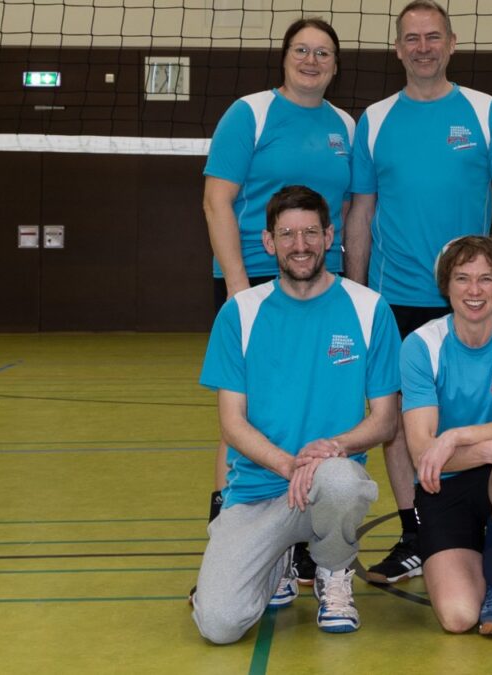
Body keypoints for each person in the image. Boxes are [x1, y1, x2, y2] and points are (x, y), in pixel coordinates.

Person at [346, 0, 492, 585]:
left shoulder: (485, 110)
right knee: (395, 420)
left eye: (433, 37)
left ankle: (475, 522)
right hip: (395, 296)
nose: (423, 47)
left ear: (452, 43)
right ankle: (415, 531)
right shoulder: (373, 119)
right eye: (412, 39)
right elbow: (363, 212)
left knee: (475, 411)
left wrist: (491, 263)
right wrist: (353, 291)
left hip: (468, 298)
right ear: (397, 49)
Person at [192, 186, 400, 642]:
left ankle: (333, 573)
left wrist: (333, 449)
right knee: (219, 625)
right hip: (258, 491)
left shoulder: (368, 308)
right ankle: (277, 562)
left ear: (330, 236)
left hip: (329, 488)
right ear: (268, 242)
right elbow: (231, 424)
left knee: (342, 479)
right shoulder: (239, 314)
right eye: (287, 234)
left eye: (310, 232)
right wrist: (290, 466)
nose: (299, 245)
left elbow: (386, 419)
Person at [202, 17, 356, 584]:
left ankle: (309, 542)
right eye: (301, 51)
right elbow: (217, 200)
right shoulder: (249, 113)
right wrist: (240, 290)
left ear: (336, 66)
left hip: (323, 283)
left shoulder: (346, 124)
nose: (312, 60)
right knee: (242, 414)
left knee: (319, 405)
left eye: (323, 53)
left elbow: (354, 211)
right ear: (284, 58)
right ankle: (228, 530)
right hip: (255, 281)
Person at [400, 236, 492, 635]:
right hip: (443, 488)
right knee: (458, 617)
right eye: (462, 278)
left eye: (486, 279)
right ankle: (486, 559)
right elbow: (422, 456)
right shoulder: (422, 345)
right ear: (446, 285)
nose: (474, 290)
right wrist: (488, 449)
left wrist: (455, 437)